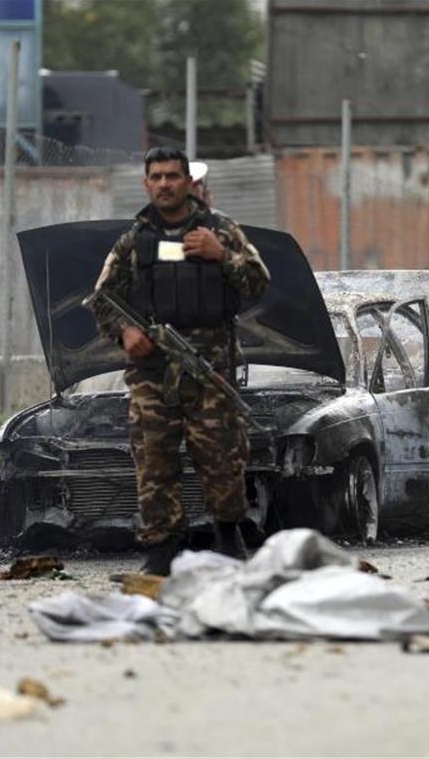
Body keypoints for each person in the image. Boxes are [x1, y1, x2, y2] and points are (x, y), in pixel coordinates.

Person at [88, 146, 271, 575]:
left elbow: (259, 282)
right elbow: (102, 298)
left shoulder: (221, 229)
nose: (165, 184)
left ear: (189, 182)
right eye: (157, 177)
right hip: (153, 371)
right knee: (154, 460)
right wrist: (125, 332)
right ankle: (164, 546)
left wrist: (221, 256)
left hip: (210, 369)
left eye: (173, 176)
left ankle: (229, 537)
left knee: (223, 457)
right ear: (146, 183)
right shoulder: (135, 239)